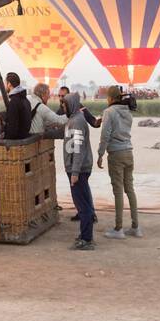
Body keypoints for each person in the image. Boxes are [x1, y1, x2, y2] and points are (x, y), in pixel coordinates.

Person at [97, 86, 141, 239]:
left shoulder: (109, 112)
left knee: (118, 191)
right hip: (129, 152)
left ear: (110, 98)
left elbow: (105, 135)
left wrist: (100, 153)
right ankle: (135, 227)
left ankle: (118, 228)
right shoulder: (128, 112)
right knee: (130, 189)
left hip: (116, 154)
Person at [63, 91, 95, 250]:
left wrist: (75, 172)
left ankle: (86, 239)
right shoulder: (73, 120)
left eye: (65, 104)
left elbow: (78, 149)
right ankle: (85, 235)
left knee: (82, 206)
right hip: (78, 168)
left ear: (72, 105)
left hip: (79, 169)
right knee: (84, 202)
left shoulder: (77, 122)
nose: (63, 107)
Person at [3, 72, 32, 139]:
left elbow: (12, 127)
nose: (4, 86)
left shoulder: (14, 102)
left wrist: (7, 141)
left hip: (15, 143)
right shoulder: (25, 100)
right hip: (24, 140)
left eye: (5, 83)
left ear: (9, 84)